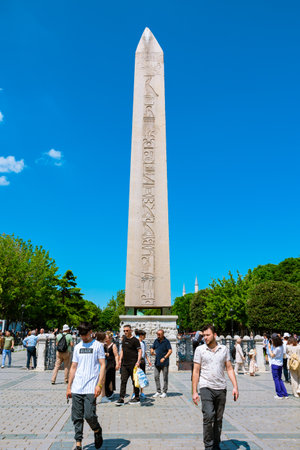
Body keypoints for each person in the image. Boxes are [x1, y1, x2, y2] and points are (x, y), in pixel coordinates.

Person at [192, 324, 239, 450]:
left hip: (221, 387)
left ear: (215, 335)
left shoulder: (224, 349)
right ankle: (208, 446)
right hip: (206, 386)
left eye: (207, 335)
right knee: (208, 415)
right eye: (203, 335)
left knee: (218, 418)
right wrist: (194, 391)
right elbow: (196, 371)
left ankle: (216, 444)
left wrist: (235, 386)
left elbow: (229, 368)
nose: (205, 338)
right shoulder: (200, 350)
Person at [66, 322, 105, 450]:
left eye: (85, 335)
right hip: (77, 386)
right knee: (77, 416)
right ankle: (78, 443)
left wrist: (99, 384)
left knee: (89, 415)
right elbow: (73, 367)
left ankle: (97, 429)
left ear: (91, 332)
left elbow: (102, 365)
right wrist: (69, 387)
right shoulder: (77, 347)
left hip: (91, 386)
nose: (83, 338)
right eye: (81, 335)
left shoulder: (98, 346)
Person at [115, 324, 142, 406]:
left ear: (131, 331)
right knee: (123, 381)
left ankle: (137, 397)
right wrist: (120, 360)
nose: (125, 332)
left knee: (134, 381)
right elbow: (122, 350)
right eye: (124, 331)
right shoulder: (124, 339)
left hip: (133, 364)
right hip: (124, 364)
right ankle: (121, 398)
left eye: (127, 330)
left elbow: (140, 351)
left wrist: (138, 361)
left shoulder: (135, 340)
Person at [151, 329, 172, 398]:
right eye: (157, 334)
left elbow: (170, 351)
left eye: (159, 334)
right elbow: (152, 347)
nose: (158, 335)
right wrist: (152, 351)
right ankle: (158, 391)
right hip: (157, 362)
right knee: (156, 376)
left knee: (165, 377)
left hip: (165, 363)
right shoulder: (156, 341)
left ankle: (164, 392)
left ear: (163, 334)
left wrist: (164, 357)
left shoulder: (166, 341)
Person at [268, 335, 288, 399]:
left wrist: (269, 348)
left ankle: (279, 394)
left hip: (275, 364)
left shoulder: (277, 349)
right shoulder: (281, 346)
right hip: (280, 364)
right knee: (280, 379)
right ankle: (285, 393)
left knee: (276, 379)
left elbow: (272, 355)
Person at [134, 330, 151, 399]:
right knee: (136, 377)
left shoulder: (143, 343)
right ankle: (135, 392)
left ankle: (142, 392)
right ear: (141, 336)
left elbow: (144, 352)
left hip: (143, 360)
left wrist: (148, 360)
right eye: (144, 336)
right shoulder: (137, 342)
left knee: (142, 376)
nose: (145, 337)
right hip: (138, 361)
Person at [104, 331, 119, 400]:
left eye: (107, 338)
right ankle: (106, 391)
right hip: (105, 363)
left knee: (110, 377)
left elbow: (116, 355)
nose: (106, 340)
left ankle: (111, 391)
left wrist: (117, 364)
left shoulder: (113, 345)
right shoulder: (104, 345)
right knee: (105, 377)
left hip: (111, 362)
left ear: (110, 338)